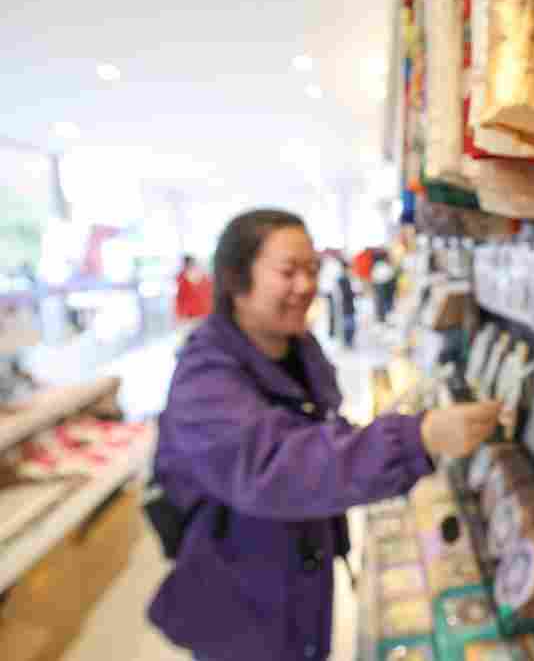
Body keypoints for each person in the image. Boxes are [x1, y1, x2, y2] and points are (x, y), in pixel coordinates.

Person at [147, 209, 502, 661]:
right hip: (240, 609)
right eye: (288, 271)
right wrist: (416, 439)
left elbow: (325, 437)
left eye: (313, 269)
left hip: (299, 587)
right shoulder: (204, 380)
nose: (306, 286)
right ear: (236, 279)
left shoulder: (296, 348)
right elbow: (276, 466)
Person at [174, 254, 213, 322]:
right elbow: (180, 300)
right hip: (195, 316)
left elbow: (180, 300)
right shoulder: (183, 279)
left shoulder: (204, 278)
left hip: (202, 315)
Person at [336, 260, 357, 348]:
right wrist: (354, 293)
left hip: (346, 305)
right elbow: (346, 293)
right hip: (346, 306)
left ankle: (348, 342)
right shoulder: (343, 279)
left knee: (348, 323)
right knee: (349, 324)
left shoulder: (343, 278)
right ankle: (348, 342)